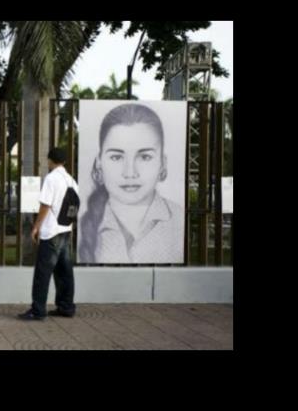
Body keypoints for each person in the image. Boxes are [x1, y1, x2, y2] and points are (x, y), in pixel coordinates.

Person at [78, 103, 183, 264]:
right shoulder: (80, 226)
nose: (130, 173)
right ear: (99, 163)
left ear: (162, 163)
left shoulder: (179, 220)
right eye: (116, 157)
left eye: (145, 157)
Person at [19, 147, 78, 320]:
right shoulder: (71, 180)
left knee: (42, 273)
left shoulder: (52, 179)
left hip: (51, 232)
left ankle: (38, 310)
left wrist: (36, 226)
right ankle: (66, 307)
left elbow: (45, 205)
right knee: (65, 271)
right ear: (65, 161)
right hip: (65, 230)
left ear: (50, 160)